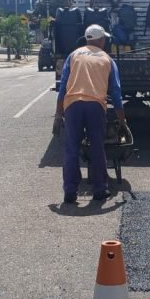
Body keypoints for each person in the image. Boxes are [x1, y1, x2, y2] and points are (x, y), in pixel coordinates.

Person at [55, 24, 126, 205]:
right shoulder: (107, 59)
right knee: (97, 147)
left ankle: (70, 192)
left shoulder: (73, 56)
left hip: (72, 105)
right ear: (101, 40)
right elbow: (116, 93)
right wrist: (122, 121)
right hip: (95, 106)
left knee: (71, 148)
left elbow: (62, 88)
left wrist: (58, 115)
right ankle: (100, 190)